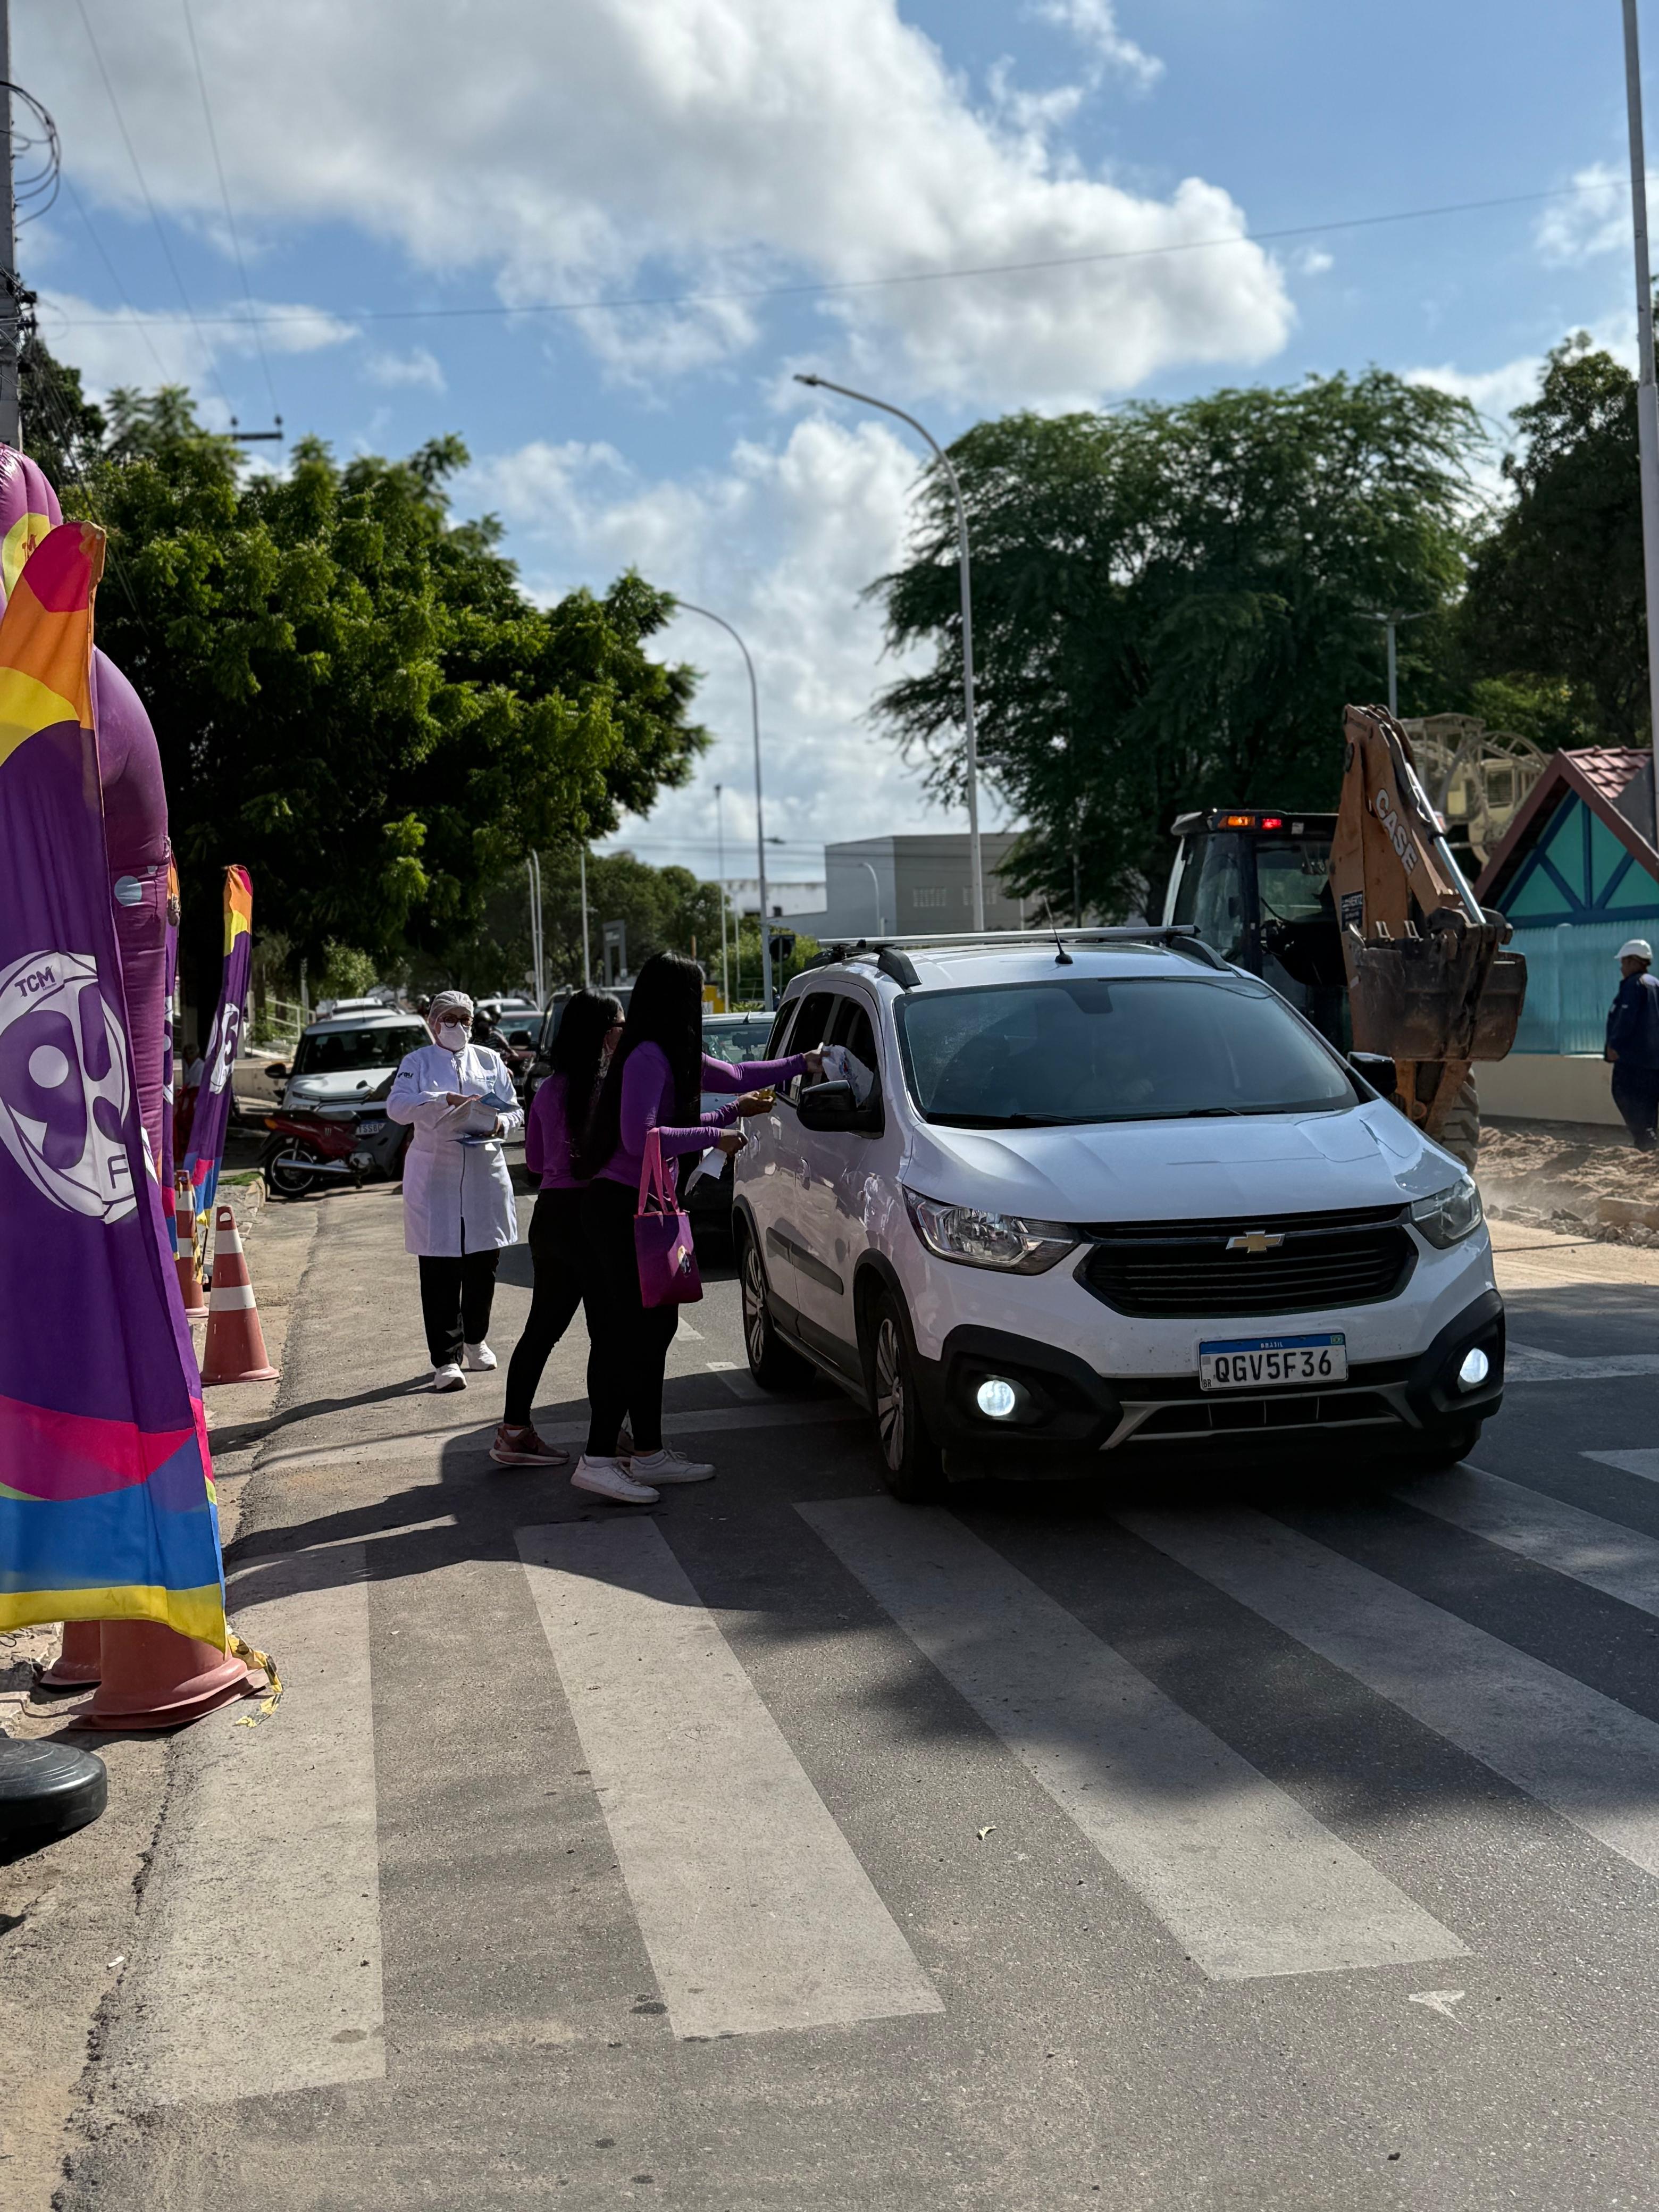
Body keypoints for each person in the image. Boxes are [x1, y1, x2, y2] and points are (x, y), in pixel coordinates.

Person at [571, 951, 823, 1503]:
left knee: (657, 1329)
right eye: (695, 995)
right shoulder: (646, 1056)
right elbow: (642, 1140)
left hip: (646, 1207)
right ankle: (597, 1458)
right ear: (677, 1000)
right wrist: (718, 1131)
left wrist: (804, 1062)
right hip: (618, 1208)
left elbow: (738, 1075)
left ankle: (649, 1452)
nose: (699, 1008)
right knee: (629, 1336)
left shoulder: (671, 1052)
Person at [492, 988, 624, 1469]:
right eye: (620, 1027)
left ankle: (513, 1430)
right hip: (596, 1214)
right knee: (608, 1335)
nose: (625, 1035)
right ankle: (606, 1441)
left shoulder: (549, 1089)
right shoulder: (610, 1090)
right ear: (604, 1035)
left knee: (541, 1330)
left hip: (552, 1215)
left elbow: (533, 1162)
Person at [387, 988, 524, 1389]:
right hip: (437, 1176)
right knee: (440, 1267)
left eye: (465, 1019)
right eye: (450, 1018)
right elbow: (397, 1108)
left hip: (483, 1172)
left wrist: (500, 1123)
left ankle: (476, 1341)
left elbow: (515, 1109)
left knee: (484, 1262)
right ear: (433, 1023)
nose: (458, 1026)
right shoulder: (417, 1063)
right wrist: (443, 1099)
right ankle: (446, 1360)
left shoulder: (490, 1060)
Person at [1605, 938, 1659, 1152]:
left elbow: (1626, 1018)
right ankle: (1649, 1141)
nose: (1621, 968)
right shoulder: (1655, 984)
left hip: (1633, 1059)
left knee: (1623, 1094)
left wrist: (1614, 1045)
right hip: (1654, 1061)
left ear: (1632, 961)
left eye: (1623, 962)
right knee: (1649, 1102)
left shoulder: (1634, 985)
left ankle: (1646, 1139)